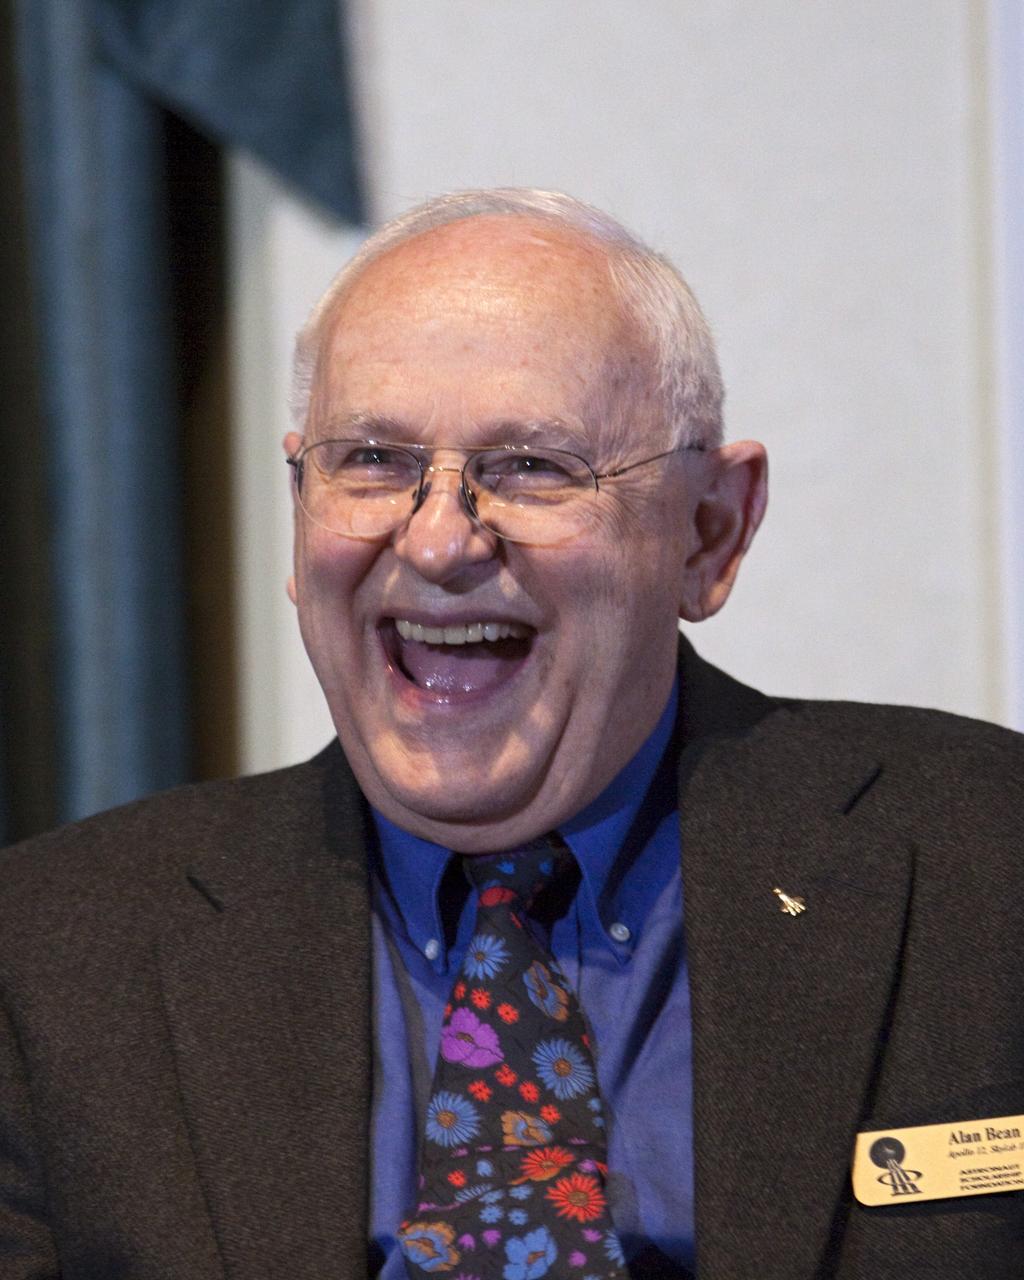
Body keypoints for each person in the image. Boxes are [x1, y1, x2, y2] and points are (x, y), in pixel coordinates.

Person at [0, 189, 1021, 1280]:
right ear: (299, 516)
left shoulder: (986, 859)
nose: (438, 540)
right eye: (375, 460)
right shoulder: (47, 950)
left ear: (710, 531)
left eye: (533, 465)